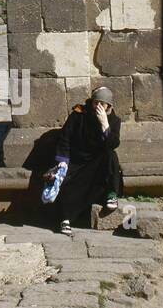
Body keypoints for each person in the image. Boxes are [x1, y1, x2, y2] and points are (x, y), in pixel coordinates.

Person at [50, 85, 124, 235]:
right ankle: (65, 219)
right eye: (95, 102)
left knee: (110, 156)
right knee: (67, 183)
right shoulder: (79, 114)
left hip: (97, 161)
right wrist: (63, 160)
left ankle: (111, 193)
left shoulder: (114, 120)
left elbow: (113, 144)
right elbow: (65, 138)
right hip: (77, 160)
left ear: (108, 106)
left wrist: (104, 124)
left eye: (101, 104)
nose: (97, 106)